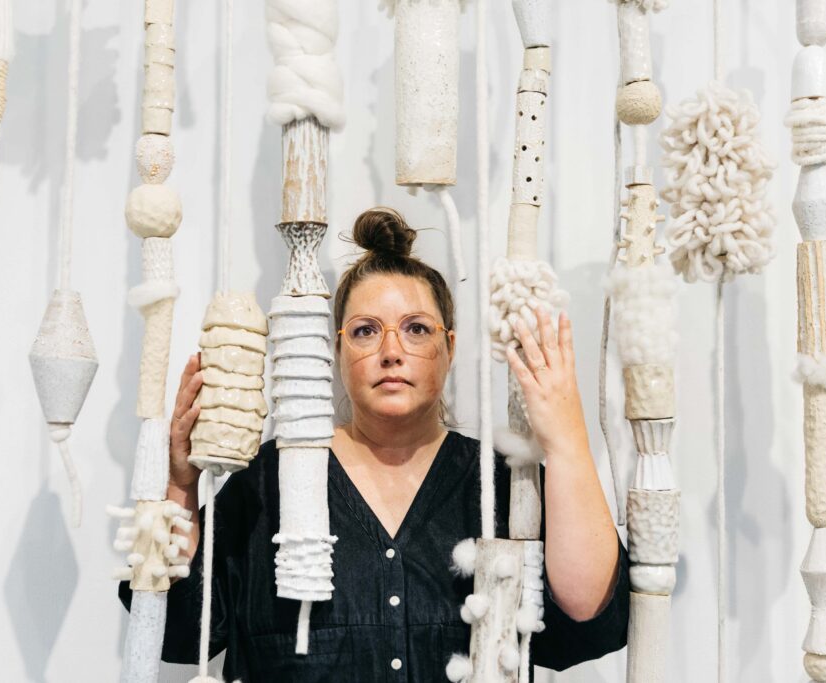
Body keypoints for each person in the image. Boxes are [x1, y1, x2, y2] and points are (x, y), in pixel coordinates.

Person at [119, 208, 628, 682]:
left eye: (416, 329)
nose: (391, 352)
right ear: (338, 349)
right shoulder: (271, 480)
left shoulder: (502, 486)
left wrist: (566, 439)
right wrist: (178, 486)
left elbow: (590, 619)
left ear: (448, 347)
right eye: (365, 331)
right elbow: (175, 631)